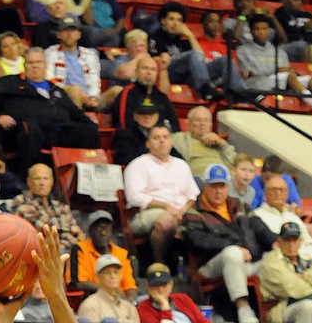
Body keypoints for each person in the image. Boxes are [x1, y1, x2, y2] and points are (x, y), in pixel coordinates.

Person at [0, 46, 100, 175]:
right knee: (29, 128)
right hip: (27, 132)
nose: (35, 66)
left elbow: (76, 113)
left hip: (59, 132)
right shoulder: (9, 83)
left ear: (45, 65)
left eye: (38, 62)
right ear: (24, 65)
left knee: (90, 130)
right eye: (30, 63)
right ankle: (28, 178)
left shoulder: (56, 90)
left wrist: (91, 124)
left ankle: (82, 176)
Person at [182, 163, 269, 323]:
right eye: (213, 186)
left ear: (227, 186)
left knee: (274, 258)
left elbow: (259, 226)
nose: (218, 191)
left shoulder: (238, 204)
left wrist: (276, 243)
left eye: (222, 186)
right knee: (232, 253)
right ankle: (243, 309)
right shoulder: (194, 211)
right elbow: (197, 242)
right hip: (208, 265)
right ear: (205, 186)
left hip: (245, 260)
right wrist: (235, 245)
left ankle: (271, 316)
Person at [123, 124, 200, 265]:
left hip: (183, 211)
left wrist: (184, 208)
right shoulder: (138, 165)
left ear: (171, 142)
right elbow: (134, 197)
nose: (162, 141)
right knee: (166, 221)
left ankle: (195, 269)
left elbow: (193, 195)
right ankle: (159, 262)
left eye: (165, 137)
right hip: (148, 213)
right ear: (148, 143)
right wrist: (166, 207)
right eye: (156, 138)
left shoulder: (181, 165)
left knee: (208, 222)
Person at [10, 163, 84, 248]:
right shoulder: (20, 201)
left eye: (46, 179)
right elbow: (45, 229)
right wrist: (67, 233)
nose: (42, 183)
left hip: (69, 251)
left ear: (52, 181)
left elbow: (78, 233)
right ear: (29, 182)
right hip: (41, 253)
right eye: (38, 179)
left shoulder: (61, 207)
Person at [76, 211, 138, 299]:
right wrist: (111, 292)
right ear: (90, 231)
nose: (103, 233)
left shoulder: (122, 253)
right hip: (94, 300)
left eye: (107, 228)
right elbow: (79, 283)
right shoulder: (80, 249)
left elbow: (131, 286)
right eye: (99, 228)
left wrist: (130, 302)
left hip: (122, 302)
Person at [171, 107, 236, 180]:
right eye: (198, 120)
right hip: (199, 181)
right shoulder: (179, 138)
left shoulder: (218, 142)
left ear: (211, 125)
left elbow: (236, 162)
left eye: (206, 120)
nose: (203, 124)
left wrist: (223, 143)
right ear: (188, 124)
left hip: (224, 179)